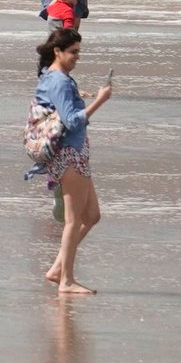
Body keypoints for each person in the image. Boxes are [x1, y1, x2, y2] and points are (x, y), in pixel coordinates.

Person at [35, 28, 111, 295]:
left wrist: (79, 97)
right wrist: (100, 100)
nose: (77, 57)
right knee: (73, 220)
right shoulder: (59, 81)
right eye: (73, 52)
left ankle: (58, 270)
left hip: (74, 152)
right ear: (58, 51)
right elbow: (73, 120)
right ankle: (66, 281)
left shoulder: (55, 78)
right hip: (69, 154)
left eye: (79, 52)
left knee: (91, 216)